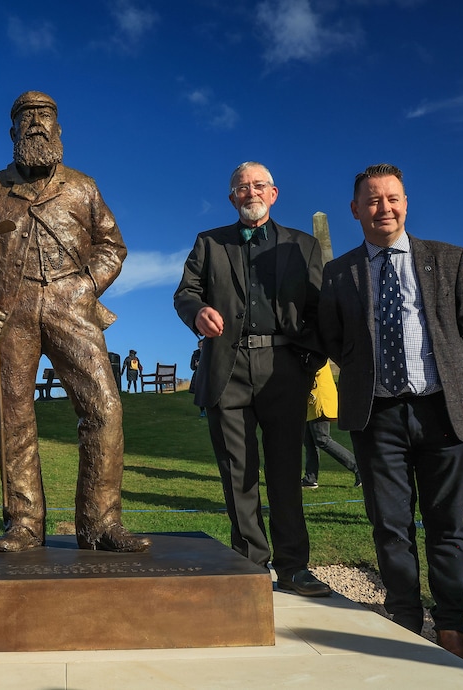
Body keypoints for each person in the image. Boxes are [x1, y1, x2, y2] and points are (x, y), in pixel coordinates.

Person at [0, 91, 150, 554]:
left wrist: (85, 285)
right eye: (27, 118)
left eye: (46, 117)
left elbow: (112, 246)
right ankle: (23, 523)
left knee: (104, 408)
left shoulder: (83, 187)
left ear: (59, 129)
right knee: (13, 418)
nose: (37, 124)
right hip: (8, 315)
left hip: (72, 306)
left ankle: (100, 524)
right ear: (13, 131)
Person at [319, 163, 463, 666]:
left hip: (444, 412)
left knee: (446, 524)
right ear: (355, 210)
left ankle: (452, 628)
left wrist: (452, 371)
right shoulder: (340, 272)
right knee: (390, 525)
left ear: (406, 203)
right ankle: (405, 622)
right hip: (378, 415)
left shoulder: (450, 259)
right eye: (372, 200)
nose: (384, 208)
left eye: (392, 198)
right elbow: (332, 336)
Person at [173, 161, 331, 597]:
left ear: (274, 194)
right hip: (227, 371)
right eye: (242, 187)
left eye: (259, 185)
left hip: (285, 369)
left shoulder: (303, 245)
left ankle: (294, 567)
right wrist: (197, 313)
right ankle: (248, 565)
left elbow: (320, 308)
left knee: (284, 472)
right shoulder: (209, 243)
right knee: (238, 473)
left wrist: (309, 361)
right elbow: (185, 293)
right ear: (231, 198)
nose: (251, 192)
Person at [302, 363, 360, 488]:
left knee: (322, 439)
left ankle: (358, 468)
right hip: (311, 402)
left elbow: (311, 370)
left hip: (320, 399)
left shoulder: (314, 351)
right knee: (309, 441)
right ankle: (310, 478)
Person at [189, 339, 206, 417]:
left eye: (202, 346)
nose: (201, 348)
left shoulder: (209, 352)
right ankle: (202, 411)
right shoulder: (195, 354)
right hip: (198, 375)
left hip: (208, 374)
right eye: (199, 346)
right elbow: (192, 367)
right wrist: (196, 365)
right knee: (199, 393)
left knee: (208, 393)